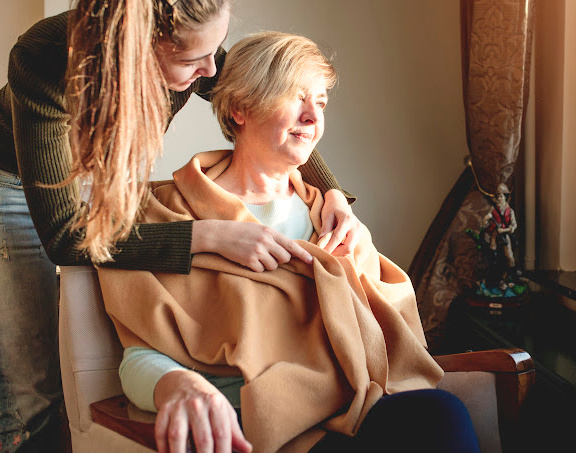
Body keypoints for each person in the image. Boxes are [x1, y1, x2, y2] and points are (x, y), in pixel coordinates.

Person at [0, 0, 360, 451]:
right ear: (138, 48)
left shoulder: (196, 44)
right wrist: (205, 236)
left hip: (84, 166)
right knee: (31, 387)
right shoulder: (44, 61)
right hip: (8, 175)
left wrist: (331, 193)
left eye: (216, 51)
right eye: (195, 61)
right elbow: (64, 237)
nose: (210, 72)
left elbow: (252, 96)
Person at [99, 32, 481, 453]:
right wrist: (177, 383)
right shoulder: (166, 215)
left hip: (352, 410)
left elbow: (390, 343)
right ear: (240, 108)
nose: (313, 118)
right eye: (295, 97)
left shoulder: (333, 219)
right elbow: (139, 355)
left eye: (320, 102)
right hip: (253, 426)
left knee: (441, 414)